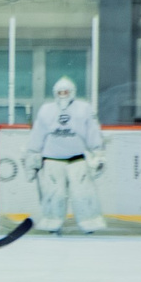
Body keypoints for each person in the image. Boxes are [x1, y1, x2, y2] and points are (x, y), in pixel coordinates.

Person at [25, 75, 107, 234]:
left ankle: (89, 223)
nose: (63, 95)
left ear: (72, 92)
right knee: (54, 194)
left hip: (77, 160)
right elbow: (37, 135)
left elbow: (92, 133)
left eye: (66, 92)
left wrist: (98, 153)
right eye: (60, 92)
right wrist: (33, 156)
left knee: (83, 194)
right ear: (55, 93)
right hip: (52, 160)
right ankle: (52, 223)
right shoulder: (46, 110)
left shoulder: (84, 109)